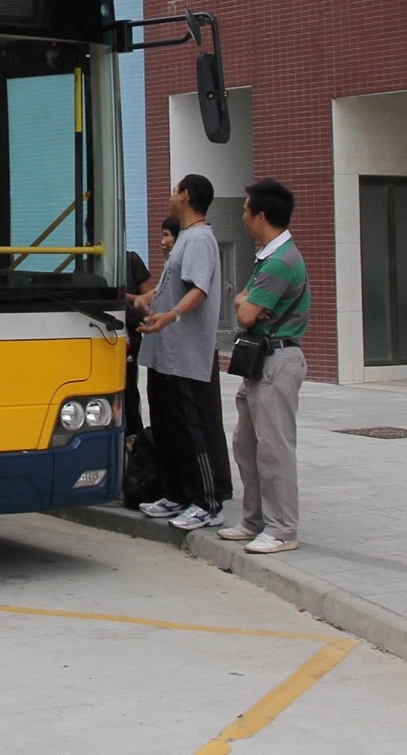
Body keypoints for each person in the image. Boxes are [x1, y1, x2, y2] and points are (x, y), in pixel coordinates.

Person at [128, 174, 226, 532]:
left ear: (185, 195)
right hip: (164, 354)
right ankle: (177, 493)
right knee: (168, 429)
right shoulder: (185, 237)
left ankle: (207, 502)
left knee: (191, 430)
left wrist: (170, 315)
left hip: (185, 355)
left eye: (174, 190)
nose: (171, 195)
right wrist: (146, 300)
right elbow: (169, 287)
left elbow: (199, 290)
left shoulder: (199, 239)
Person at [219, 179, 311, 555]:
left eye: (245, 211)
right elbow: (244, 303)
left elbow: (244, 313)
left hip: (277, 361)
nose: (242, 217)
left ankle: (282, 529)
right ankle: (254, 520)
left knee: (274, 448)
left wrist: (247, 305)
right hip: (262, 362)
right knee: (246, 443)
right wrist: (248, 304)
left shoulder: (279, 263)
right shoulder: (268, 258)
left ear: (261, 216)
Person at [119, 220, 169, 438]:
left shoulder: (131, 260)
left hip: (129, 335)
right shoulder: (86, 263)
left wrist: (122, 297)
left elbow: (149, 300)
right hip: (99, 333)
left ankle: (134, 438)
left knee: (129, 389)